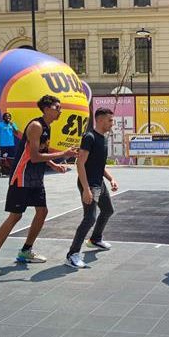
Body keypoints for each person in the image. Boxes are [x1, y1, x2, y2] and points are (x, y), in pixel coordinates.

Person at [0, 95, 77, 275]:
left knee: (42, 211)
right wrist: (63, 154)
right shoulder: (36, 126)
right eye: (57, 108)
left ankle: (25, 251)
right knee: (15, 216)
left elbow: (40, 152)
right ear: (46, 109)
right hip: (22, 177)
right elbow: (34, 157)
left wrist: (53, 165)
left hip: (35, 178)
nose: (60, 111)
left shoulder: (47, 127)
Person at [65, 108, 120, 269]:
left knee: (108, 210)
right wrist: (86, 189)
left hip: (98, 183)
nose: (112, 123)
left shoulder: (103, 138)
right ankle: (72, 255)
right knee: (89, 218)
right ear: (100, 120)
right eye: (110, 120)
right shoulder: (89, 137)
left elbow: (98, 165)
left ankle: (95, 239)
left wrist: (111, 179)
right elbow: (80, 164)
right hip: (89, 184)